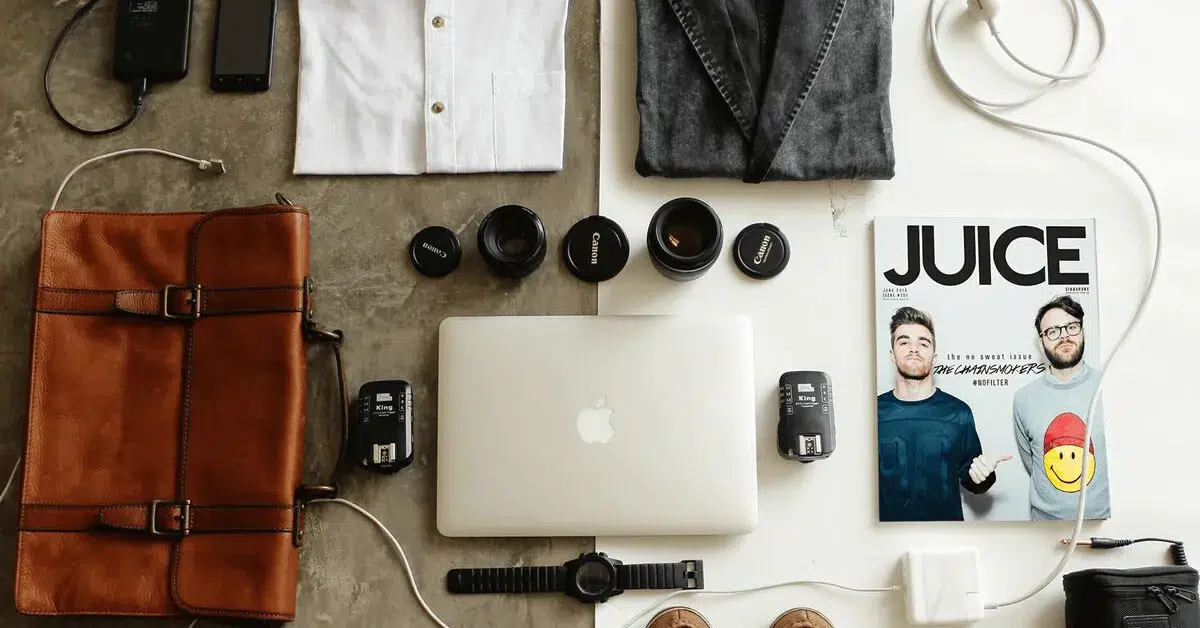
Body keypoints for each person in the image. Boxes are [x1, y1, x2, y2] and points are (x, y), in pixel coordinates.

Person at [878, 307, 1010, 522]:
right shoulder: (872, 413)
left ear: (934, 357)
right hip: (883, 539)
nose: (914, 349)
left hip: (946, 539)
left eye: (923, 343)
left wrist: (984, 476)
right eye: (904, 342)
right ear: (892, 355)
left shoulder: (958, 412)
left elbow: (973, 480)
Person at [1013, 296, 1111, 520]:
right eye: (1053, 331)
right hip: (1044, 528)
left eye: (1071, 327)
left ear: (1083, 331)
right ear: (1041, 342)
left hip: (1103, 526)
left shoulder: (1109, 387)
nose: (1064, 335)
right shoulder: (1024, 398)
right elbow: (1034, 462)